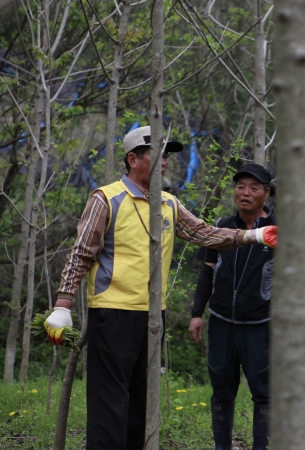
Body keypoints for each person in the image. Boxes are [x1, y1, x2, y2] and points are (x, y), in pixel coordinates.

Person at [43, 127, 277, 450]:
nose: (165, 162)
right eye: (158, 155)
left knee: (143, 400)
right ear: (133, 159)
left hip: (154, 318)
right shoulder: (106, 199)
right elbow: (81, 253)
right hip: (112, 314)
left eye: (167, 156)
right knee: (109, 402)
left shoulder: (168, 203)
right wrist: (62, 305)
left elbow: (204, 234)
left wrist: (250, 236)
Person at [188, 164, 275, 450]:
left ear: (267, 194)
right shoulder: (222, 227)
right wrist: (196, 314)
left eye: (254, 188)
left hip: (261, 326)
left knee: (264, 394)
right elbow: (206, 272)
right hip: (222, 322)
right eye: (240, 186)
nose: (245, 193)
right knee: (221, 392)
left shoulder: (278, 232)